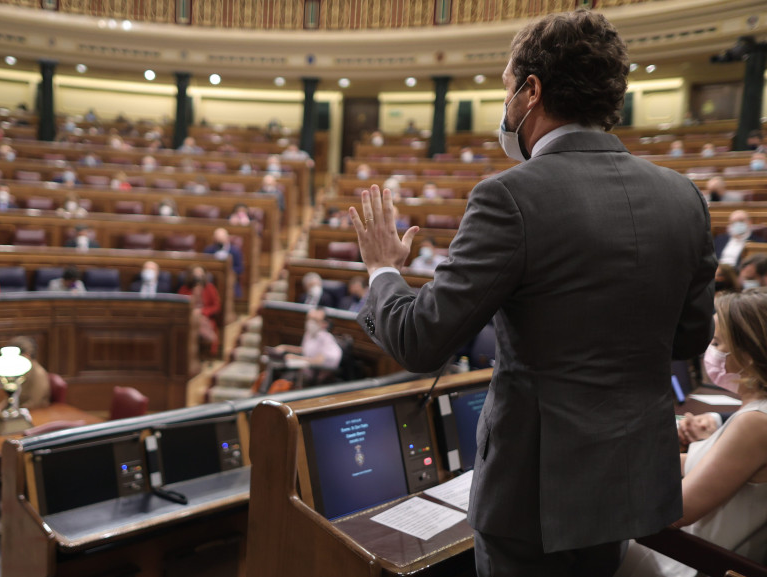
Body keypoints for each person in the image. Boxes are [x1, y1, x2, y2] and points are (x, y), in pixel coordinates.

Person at [348, 10, 715, 576]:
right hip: (629, 483)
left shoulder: (510, 197)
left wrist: (381, 273)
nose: (505, 105)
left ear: (531, 91)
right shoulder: (682, 196)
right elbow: (691, 336)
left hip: (532, 498)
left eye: (505, 88)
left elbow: (421, 342)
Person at [615, 290, 767, 577]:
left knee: (570, 542)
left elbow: (676, 512)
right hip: (692, 552)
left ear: (747, 357)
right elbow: (705, 467)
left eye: (718, 342)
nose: (709, 350)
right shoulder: (755, 412)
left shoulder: (756, 422)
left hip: (694, 562)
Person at [0, 336, 50, 414]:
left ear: (26, 355)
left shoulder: (39, 374)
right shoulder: (18, 371)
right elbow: (11, 398)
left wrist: (3, 413)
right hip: (17, 415)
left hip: (35, 416)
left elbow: (33, 405)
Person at [272, 307, 344, 383]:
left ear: (324, 324)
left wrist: (295, 358)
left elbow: (318, 361)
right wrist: (284, 347)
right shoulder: (309, 334)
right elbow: (304, 349)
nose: (310, 322)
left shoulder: (326, 339)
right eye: (309, 319)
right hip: (303, 374)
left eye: (315, 320)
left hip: (317, 378)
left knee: (284, 381)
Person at [178, 266, 220, 356]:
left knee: (198, 321)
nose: (198, 276)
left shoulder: (209, 288)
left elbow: (216, 306)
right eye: (195, 273)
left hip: (205, 316)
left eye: (200, 273)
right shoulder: (184, 289)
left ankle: (196, 352)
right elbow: (180, 305)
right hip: (188, 317)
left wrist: (202, 311)